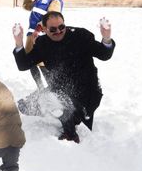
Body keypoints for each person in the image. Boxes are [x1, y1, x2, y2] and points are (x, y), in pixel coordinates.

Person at [12, 11, 115, 143]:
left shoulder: (80, 36)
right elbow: (24, 64)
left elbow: (104, 55)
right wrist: (19, 43)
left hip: (87, 92)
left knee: (55, 102)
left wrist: (106, 38)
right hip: (60, 90)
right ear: (44, 29)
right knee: (29, 105)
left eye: (61, 27)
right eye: (53, 29)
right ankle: (66, 114)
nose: (59, 31)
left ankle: (70, 134)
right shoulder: (43, 43)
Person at [22, 0, 63, 89]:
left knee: (42, 64)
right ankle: (40, 87)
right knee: (30, 62)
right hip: (31, 35)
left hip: (41, 36)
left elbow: (51, 19)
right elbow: (27, 6)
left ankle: (52, 88)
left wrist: (38, 29)